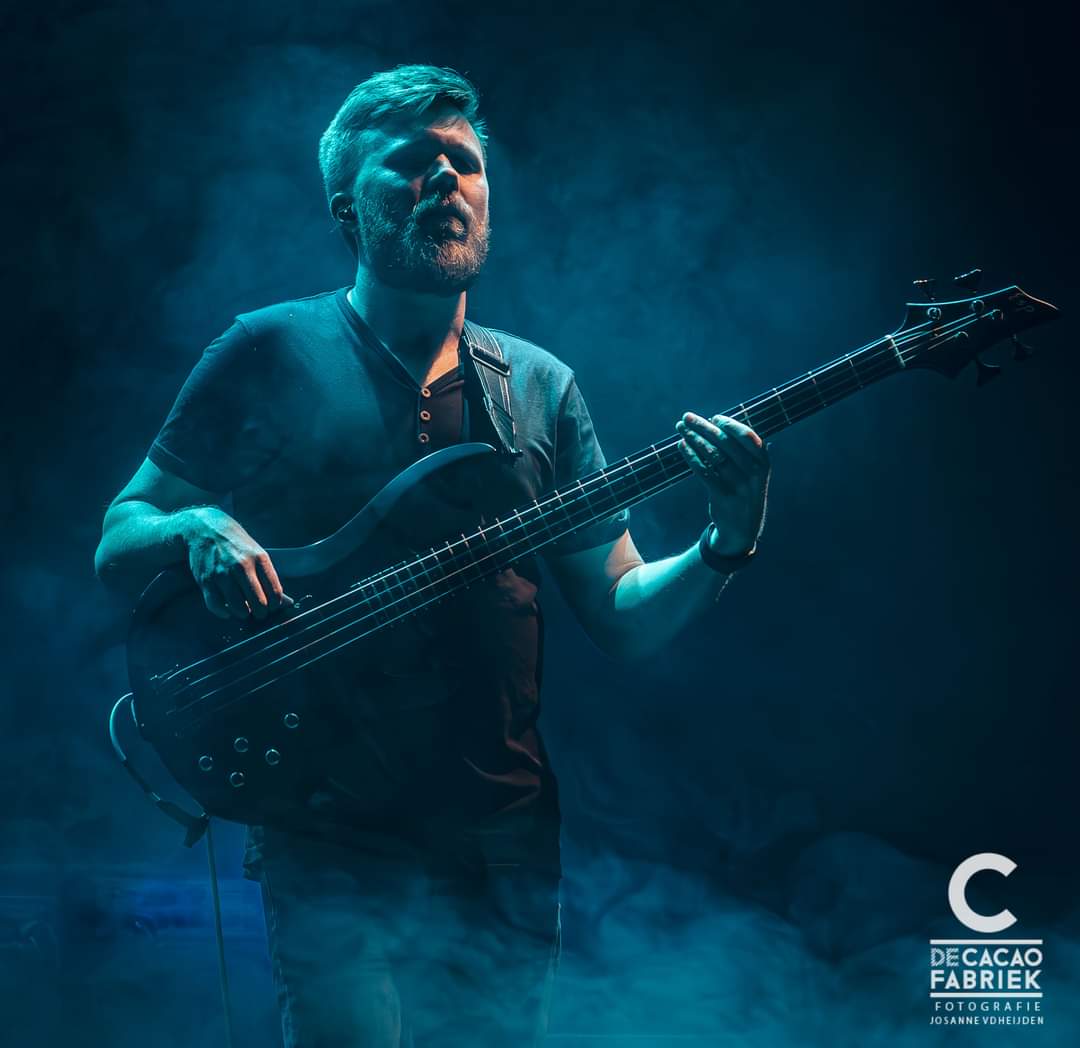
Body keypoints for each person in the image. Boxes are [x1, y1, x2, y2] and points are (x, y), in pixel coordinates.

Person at [94, 64, 771, 1048]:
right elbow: (121, 532)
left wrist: (725, 539)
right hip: (325, 828)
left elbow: (622, 611)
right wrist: (197, 527)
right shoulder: (266, 350)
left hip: (500, 833)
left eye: (465, 162)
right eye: (414, 160)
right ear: (346, 208)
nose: (447, 177)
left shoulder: (539, 387)